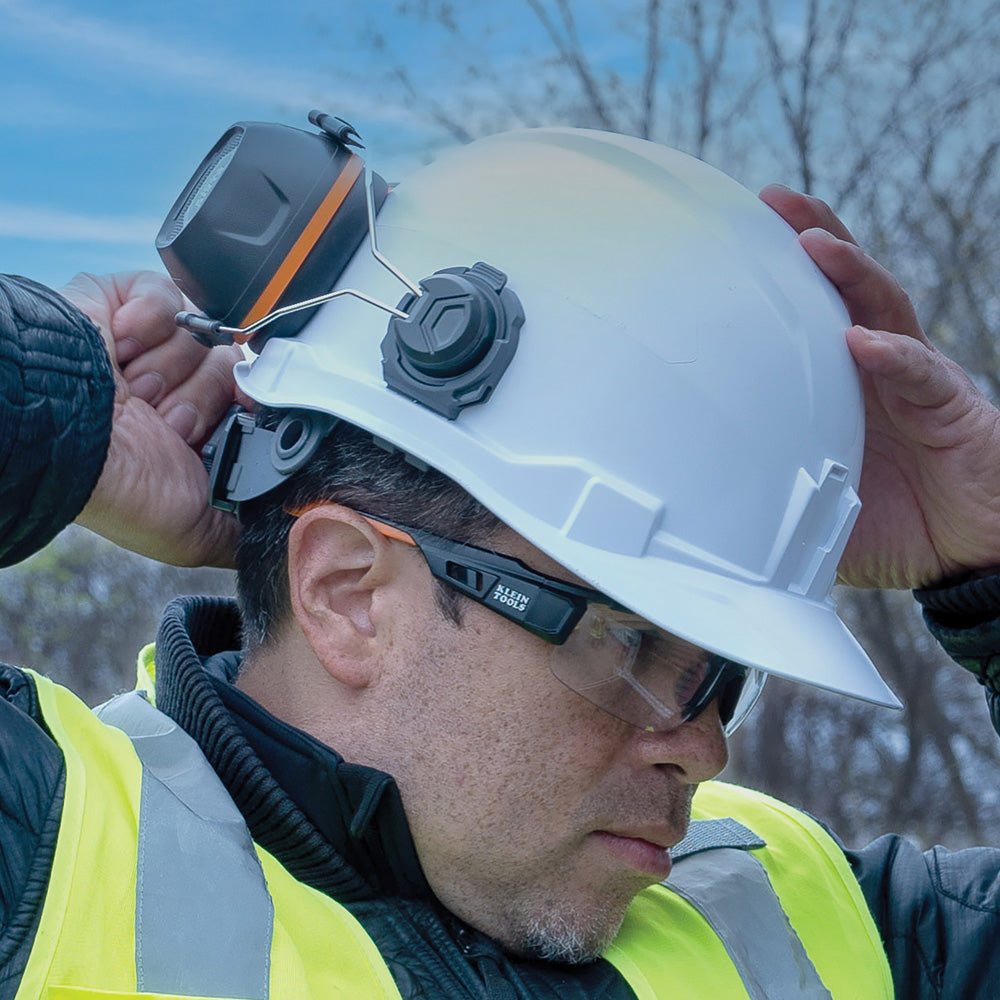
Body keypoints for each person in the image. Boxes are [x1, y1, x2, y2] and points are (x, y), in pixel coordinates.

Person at [2, 122, 1000, 1000]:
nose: (704, 752)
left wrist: (990, 571)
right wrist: (55, 394)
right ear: (348, 594)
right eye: (631, 643)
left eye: (713, 674)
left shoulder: (798, 907)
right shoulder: (46, 851)